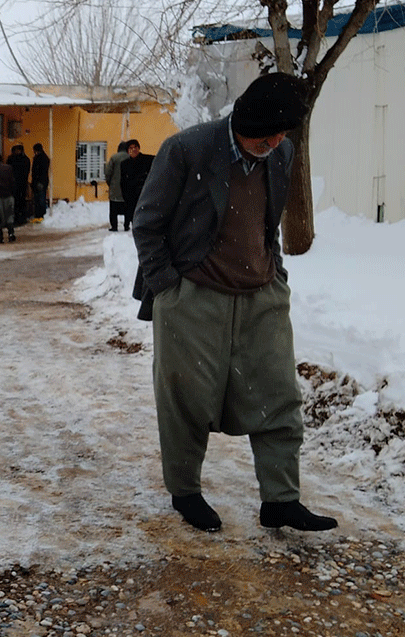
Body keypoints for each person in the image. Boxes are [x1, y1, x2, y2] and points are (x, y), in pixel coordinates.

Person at [131, 72, 337, 534]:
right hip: (194, 297)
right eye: (268, 133)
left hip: (261, 296)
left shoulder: (280, 152)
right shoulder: (188, 149)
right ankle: (186, 492)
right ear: (245, 120)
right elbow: (146, 223)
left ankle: (281, 500)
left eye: (284, 133)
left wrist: (276, 274)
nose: (277, 141)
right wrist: (169, 287)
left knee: (279, 396)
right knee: (186, 399)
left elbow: (268, 222)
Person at [120, 139, 153, 226]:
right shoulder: (124, 164)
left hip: (146, 197)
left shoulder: (148, 160)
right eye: (130, 148)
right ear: (127, 151)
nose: (133, 150)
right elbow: (123, 182)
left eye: (135, 147)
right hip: (131, 200)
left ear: (139, 148)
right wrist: (126, 197)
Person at [105, 140, 131, 231]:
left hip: (115, 190)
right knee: (127, 209)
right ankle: (126, 226)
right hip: (127, 190)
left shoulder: (114, 158)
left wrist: (110, 184)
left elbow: (108, 173)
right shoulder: (130, 158)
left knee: (113, 210)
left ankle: (114, 226)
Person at [7, 144, 31, 225]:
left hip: (17, 183)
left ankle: (19, 216)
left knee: (18, 200)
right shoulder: (25, 159)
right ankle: (19, 217)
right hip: (19, 183)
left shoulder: (12, 159)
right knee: (19, 200)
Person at [30, 143, 50, 222]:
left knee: (40, 199)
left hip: (40, 182)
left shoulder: (42, 158)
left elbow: (40, 171)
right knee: (38, 199)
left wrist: (38, 181)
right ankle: (39, 215)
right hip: (40, 182)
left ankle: (41, 215)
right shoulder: (41, 158)